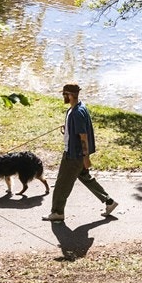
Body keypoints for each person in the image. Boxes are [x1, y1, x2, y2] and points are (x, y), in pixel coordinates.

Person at [48, 83, 117, 222]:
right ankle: (109, 202)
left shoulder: (77, 113)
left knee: (62, 184)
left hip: (74, 155)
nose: (63, 97)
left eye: (64, 94)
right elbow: (78, 129)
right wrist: (67, 127)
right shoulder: (77, 108)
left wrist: (86, 157)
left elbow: (83, 136)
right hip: (75, 153)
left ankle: (57, 213)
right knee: (86, 178)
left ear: (70, 95)